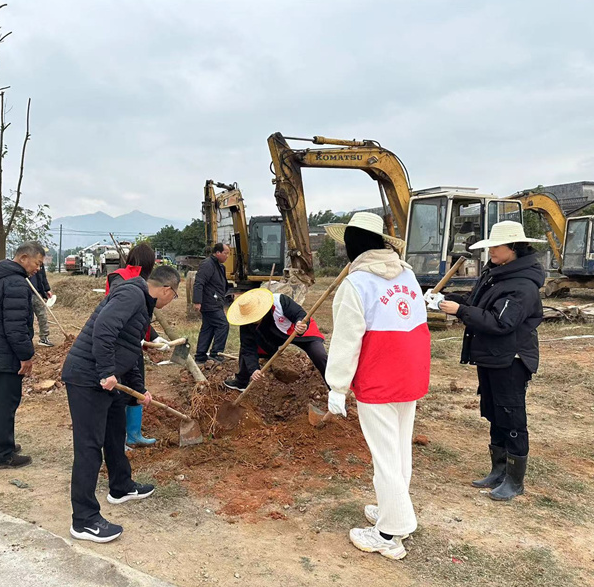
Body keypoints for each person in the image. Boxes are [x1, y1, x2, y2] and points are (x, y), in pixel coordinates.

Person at [322, 213, 430, 560]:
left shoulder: (356, 285)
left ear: (352, 246)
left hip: (378, 378)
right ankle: (391, 509)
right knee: (398, 449)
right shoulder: (408, 275)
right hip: (410, 375)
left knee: (385, 456)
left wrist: (337, 386)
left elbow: (346, 341)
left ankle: (389, 534)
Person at [61, 265, 181, 543]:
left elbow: (129, 349)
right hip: (87, 378)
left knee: (115, 432)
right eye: (174, 296)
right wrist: (106, 371)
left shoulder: (142, 303)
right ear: (166, 289)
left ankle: (121, 486)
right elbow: (103, 329)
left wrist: (139, 389)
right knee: (89, 447)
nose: (171, 301)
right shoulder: (132, 295)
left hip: (105, 380)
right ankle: (84, 520)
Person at [435, 220, 544, 502]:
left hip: (510, 359)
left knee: (511, 416)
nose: (491, 251)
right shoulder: (495, 274)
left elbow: (500, 322)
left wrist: (460, 311)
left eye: (497, 246)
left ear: (514, 248)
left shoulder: (522, 285)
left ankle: (514, 480)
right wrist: (448, 299)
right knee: (495, 413)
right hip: (492, 356)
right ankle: (499, 470)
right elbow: (477, 302)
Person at [0, 241, 45, 470]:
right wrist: (26, 355)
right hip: (5, 354)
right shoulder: (15, 282)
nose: (38, 269)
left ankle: (1, 443)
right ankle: (2, 454)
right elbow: (15, 327)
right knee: (5, 404)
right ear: (23, 258)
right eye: (37, 263)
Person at [105, 243, 170, 447]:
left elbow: (142, 316)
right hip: (118, 344)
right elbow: (120, 312)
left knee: (137, 382)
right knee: (121, 390)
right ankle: (120, 438)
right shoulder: (119, 278)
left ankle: (134, 433)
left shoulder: (145, 282)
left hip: (134, 342)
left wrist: (154, 336)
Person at [222, 288, 326, 392]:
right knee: (245, 351)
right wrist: (254, 369)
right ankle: (241, 382)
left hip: (296, 330)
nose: (252, 321)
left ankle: (332, 387)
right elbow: (248, 348)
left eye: (254, 317)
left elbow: (300, 314)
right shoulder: (246, 322)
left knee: (319, 354)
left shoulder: (279, 301)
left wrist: (300, 323)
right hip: (270, 337)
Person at [192, 243, 230, 364]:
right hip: (210, 302)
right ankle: (216, 354)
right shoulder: (208, 264)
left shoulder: (220, 266)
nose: (227, 256)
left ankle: (200, 356)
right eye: (226, 253)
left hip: (216, 302)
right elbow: (199, 283)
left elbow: (220, 285)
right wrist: (197, 301)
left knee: (208, 328)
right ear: (217, 253)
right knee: (223, 325)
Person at [29, 259, 54, 347]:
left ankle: (44, 338)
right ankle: (27, 340)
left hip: (37, 294)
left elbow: (43, 277)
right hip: (26, 294)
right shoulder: (25, 262)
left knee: (42, 316)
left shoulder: (40, 264)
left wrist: (47, 289)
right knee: (27, 318)